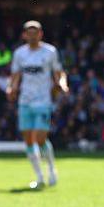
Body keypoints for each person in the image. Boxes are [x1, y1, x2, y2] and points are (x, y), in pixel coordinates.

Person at [7, 20, 67, 189]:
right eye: (29, 32)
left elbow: (58, 72)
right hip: (25, 101)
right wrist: (11, 88)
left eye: (36, 32)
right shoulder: (20, 54)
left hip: (43, 100)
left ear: (41, 34)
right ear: (24, 35)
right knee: (28, 140)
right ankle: (39, 177)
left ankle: (51, 169)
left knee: (40, 138)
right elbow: (16, 75)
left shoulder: (49, 52)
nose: (32, 35)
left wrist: (62, 83)